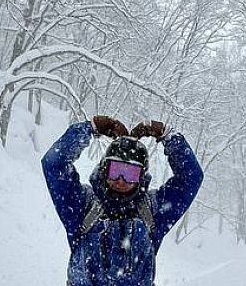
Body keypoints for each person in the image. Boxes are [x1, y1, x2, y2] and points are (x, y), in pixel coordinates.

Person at [42, 115, 204, 286]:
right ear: (105, 168)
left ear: (141, 177)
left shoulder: (152, 211)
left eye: (130, 174)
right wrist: (90, 127)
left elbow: (191, 178)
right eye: (116, 170)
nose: (121, 180)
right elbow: (54, 164)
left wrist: (168, 136)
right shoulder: (83, 205)